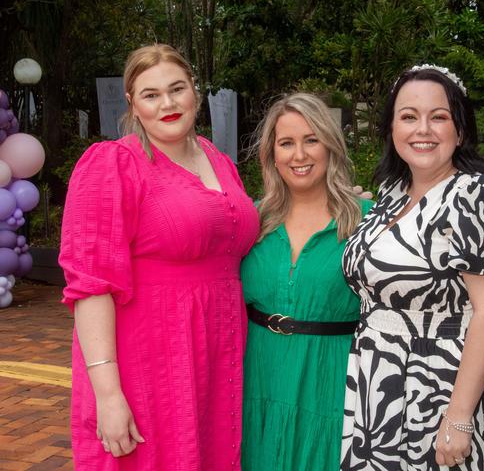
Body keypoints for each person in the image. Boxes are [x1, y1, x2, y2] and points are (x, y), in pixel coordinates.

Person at [58, 44, 259, 470]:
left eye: (177, 89)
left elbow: (236, 235)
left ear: (195, 93)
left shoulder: (218, 159)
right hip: (152, 359)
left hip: (219, 350)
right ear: (132, 103)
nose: (167, 103)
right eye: (151, 94)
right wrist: (108, 395)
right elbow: (91, 287)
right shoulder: (113, 165)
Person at [340, 64, 484, 470]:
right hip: (378, 379)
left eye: (438, 117)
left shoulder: (478, 196)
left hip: (443, 383)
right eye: (408, 116)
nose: (422, 129)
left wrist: (458, 419)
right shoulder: (390, 193)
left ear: (460, 130)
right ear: (391, 128)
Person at [240, 92, 373, 471]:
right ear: (272, 154)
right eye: (287, 143)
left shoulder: (367, 220)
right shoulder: (252, 221)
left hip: (331, 381)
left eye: (311, 140)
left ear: (330, 146)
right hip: (261, 377)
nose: (299, 155)